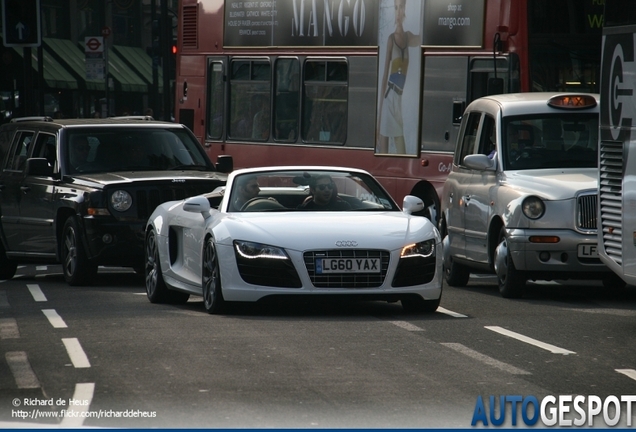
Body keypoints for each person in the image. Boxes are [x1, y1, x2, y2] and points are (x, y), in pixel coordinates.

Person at [376, 0, 420, 154]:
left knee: (402, 152)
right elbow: (384, 77)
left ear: (405, 9)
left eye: (401, 7)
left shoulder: (408, 38)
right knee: (384, 152)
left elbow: (423, 39)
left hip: (399, 99)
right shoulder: (390, 40)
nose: (398, 11)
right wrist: (379, 117)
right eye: (395, 8)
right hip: (389, 97)